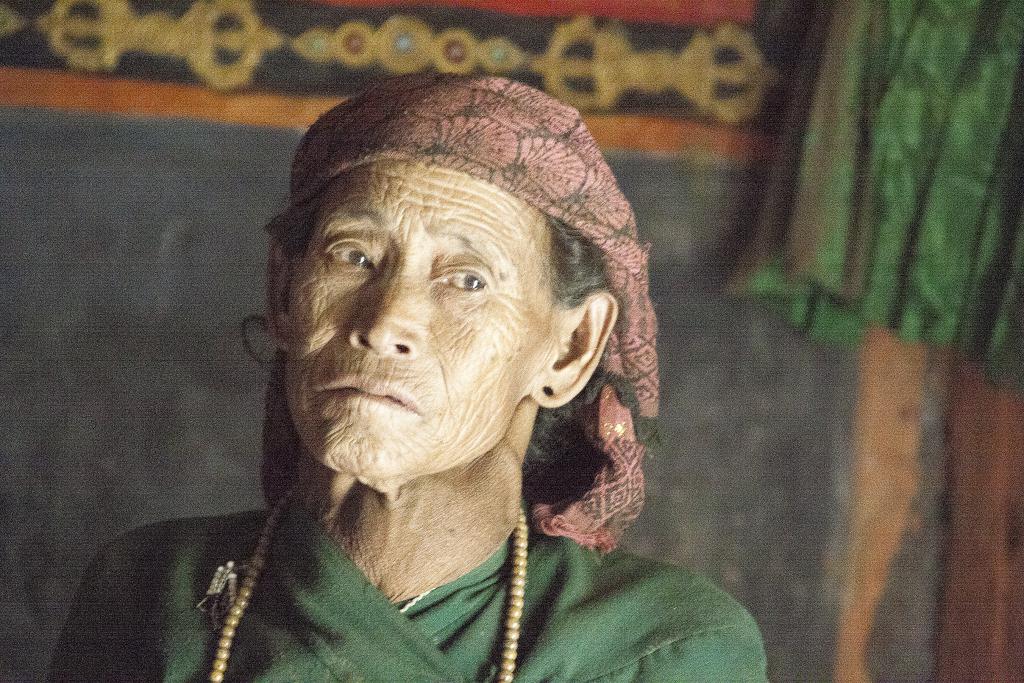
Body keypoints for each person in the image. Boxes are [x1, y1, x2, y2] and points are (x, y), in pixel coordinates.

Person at [49, 74, 767, 682]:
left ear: (571, 349)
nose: (386, 321)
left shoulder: (663, 647)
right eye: (353, 256)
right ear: (283, 292)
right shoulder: (148, 592)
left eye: (467, 279)